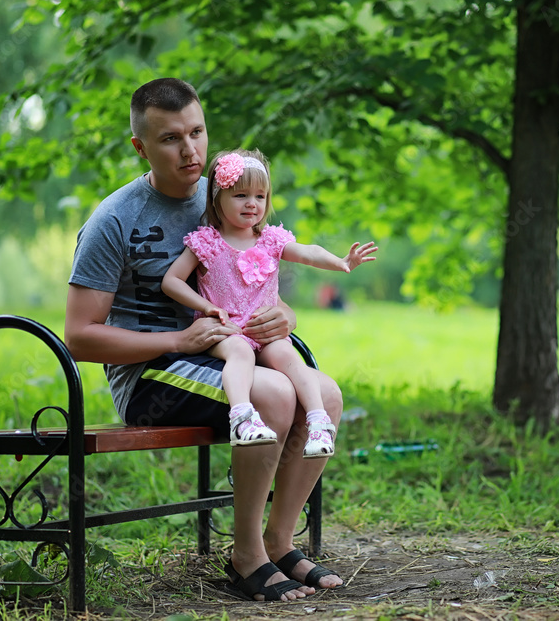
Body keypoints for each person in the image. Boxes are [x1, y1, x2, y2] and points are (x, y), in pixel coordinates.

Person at [65, 78, 344, 602]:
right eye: (170, 138)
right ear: (140, 147)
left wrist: (283, 318)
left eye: (197, 132)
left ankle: (279, 543)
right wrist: (179, 338)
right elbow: (79, 338)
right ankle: (245, 558)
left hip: (230, 353)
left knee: (326, 395)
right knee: (276, 395)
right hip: (152, 376)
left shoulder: (229, 198)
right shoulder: (114, 221)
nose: (190, 149)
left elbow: (262, 286)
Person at [161, 148, 376, 458]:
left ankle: (318, 423)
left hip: (263, 331)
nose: (252, 203)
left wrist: (340, 262)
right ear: (217, 199)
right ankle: (242, 417)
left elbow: (308, 251)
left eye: (260, 197)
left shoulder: (270, 240)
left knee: (289, 359)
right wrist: (206, 306)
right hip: (227, 328)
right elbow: (171, 281)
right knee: (239, 352)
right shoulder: (208, 241)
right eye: (241, 195)